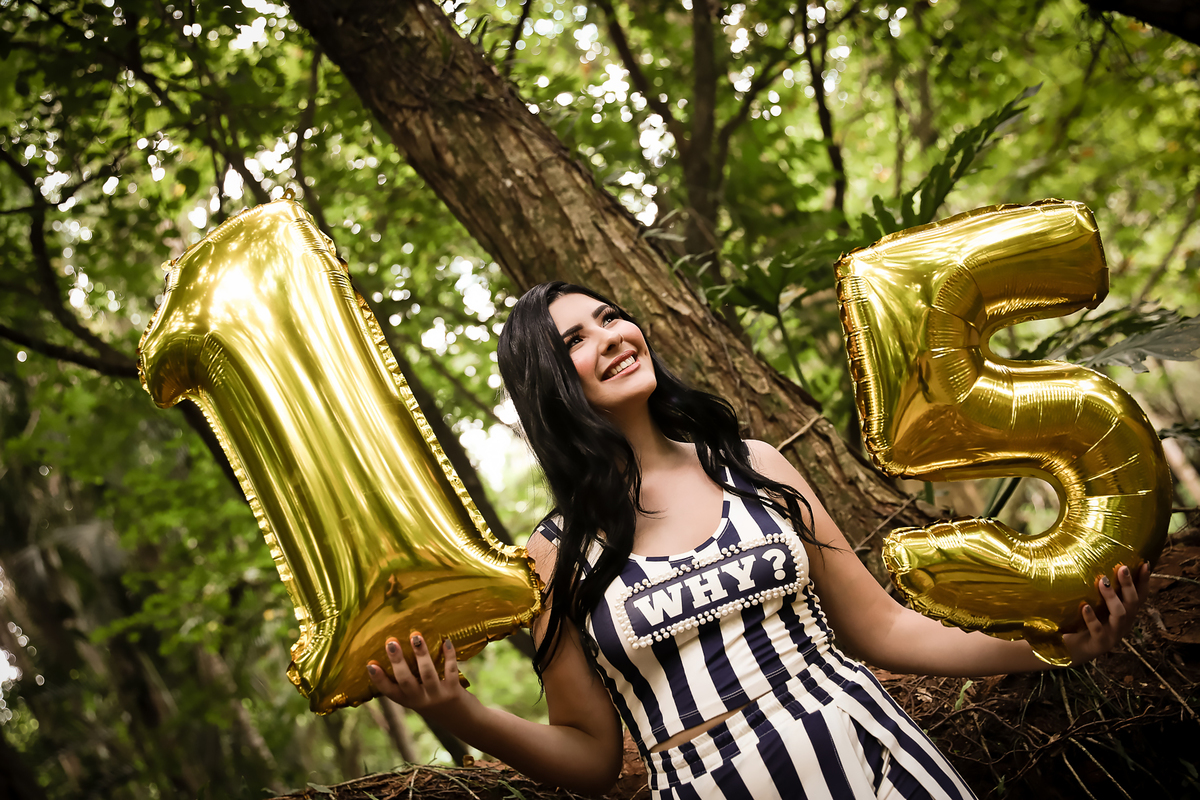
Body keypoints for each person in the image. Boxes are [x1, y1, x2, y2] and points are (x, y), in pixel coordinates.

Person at [366, 281, 1149, 799]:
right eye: (576, 337)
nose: (611, 336)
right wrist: (463, 714)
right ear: (549, 385)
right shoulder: (552, 553)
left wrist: (1050, 645)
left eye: (611, 316)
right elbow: (591, 756)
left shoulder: (754, 465)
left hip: (875, 762)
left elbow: (883, 628)